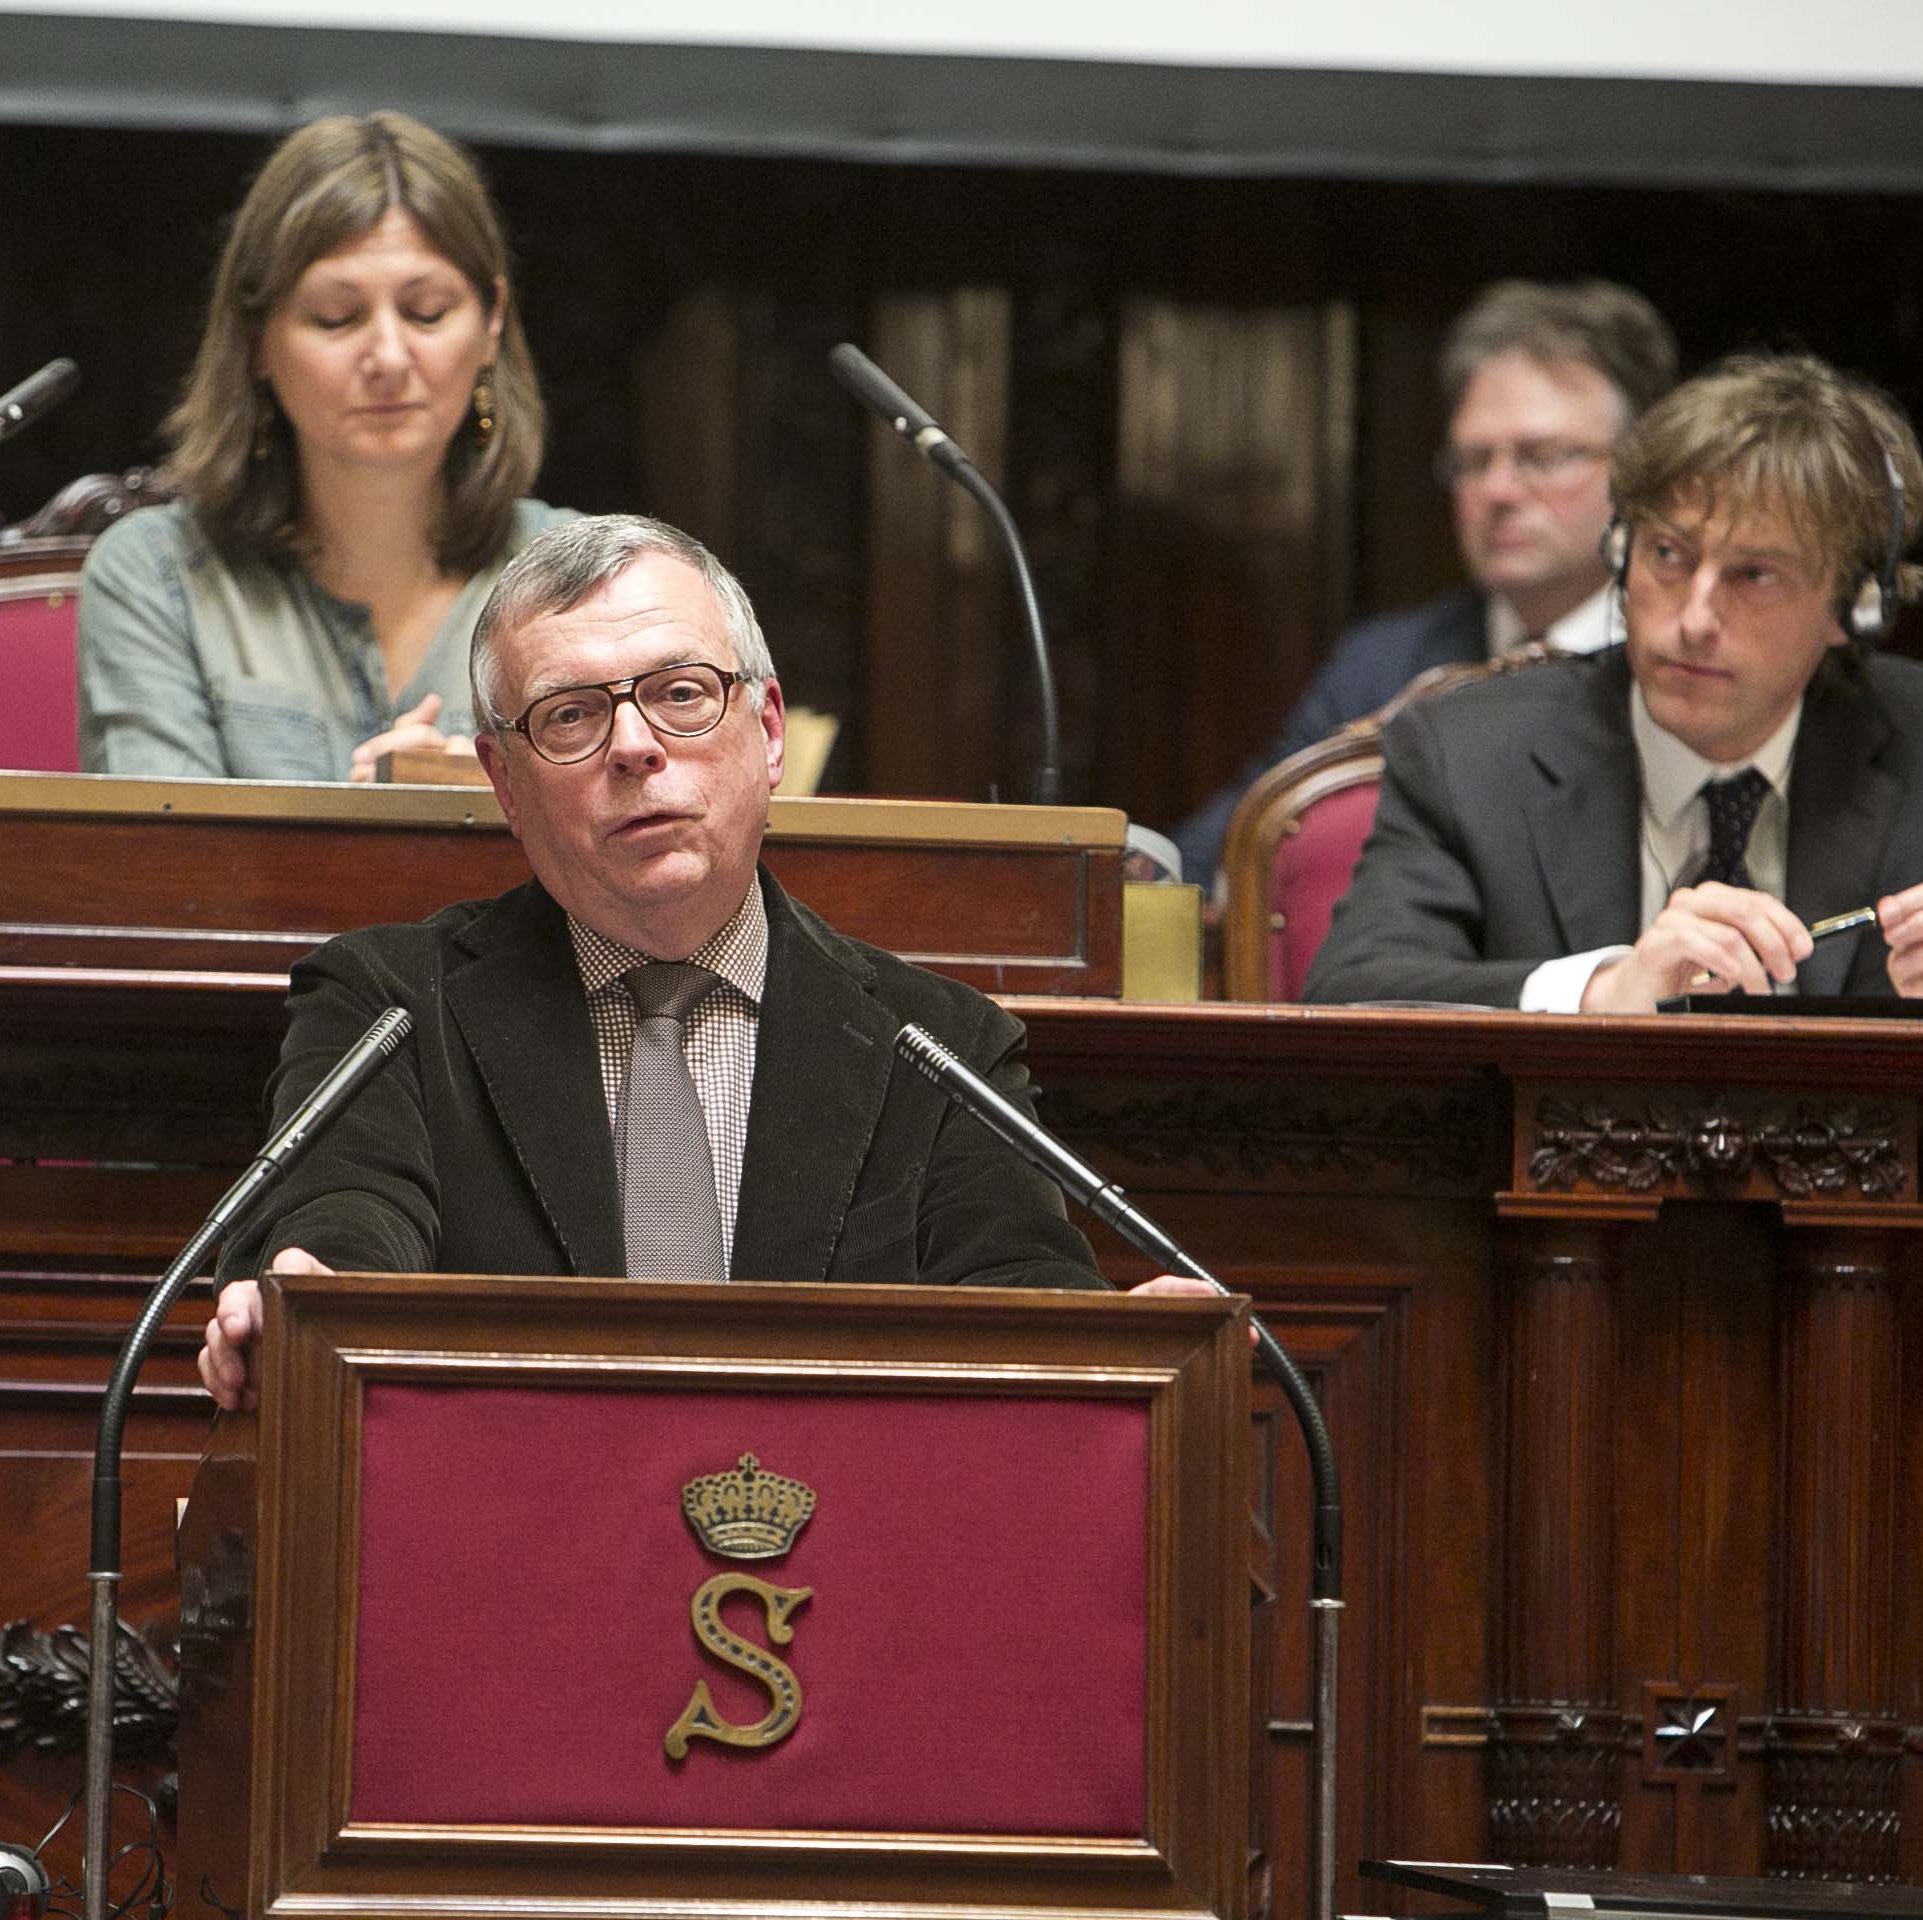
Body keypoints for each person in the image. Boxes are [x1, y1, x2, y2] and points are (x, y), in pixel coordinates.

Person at [198, 515, 1216, 1407]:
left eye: (681, 693)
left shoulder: (938, 1045)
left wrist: (1118, 1348)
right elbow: (346, 1214)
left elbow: (1016, 1294)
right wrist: (309, 1287)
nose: (635, 747)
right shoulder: (389, 1006)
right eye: (571, 716)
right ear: (504, 782)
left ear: (766, 732)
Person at [1302, 351, 1923, 1025]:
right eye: (1668, 556)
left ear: (1852, 607)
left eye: (1753, 575)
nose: (1693, 618)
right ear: (1620, 553)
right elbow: (1349, 993)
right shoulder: (1468, 748)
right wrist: (1609, 989)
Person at [78, 110, 576, 783]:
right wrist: (359, 833)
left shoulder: (581, 578)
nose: (390, 356)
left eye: (426, 312)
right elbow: (163, 874)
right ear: (256, 338)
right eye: (336, 317)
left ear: (490, 324)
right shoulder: (158, 574)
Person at [1168, 279, 1676, 881]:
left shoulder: (1687, 656)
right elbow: (1225, 848)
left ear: (1642, 468)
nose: (1499, 491)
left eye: (1543, 456)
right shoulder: (1382, 664)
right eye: (1474, 460)